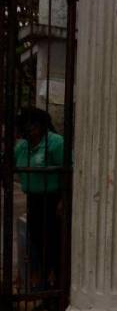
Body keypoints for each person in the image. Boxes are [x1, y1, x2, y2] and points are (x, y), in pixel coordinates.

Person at [14, 107, 64, 292]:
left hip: (53, 201)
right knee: (38, 246)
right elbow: (9, 164)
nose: (29, 130)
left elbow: (69, 172)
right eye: (25, 126)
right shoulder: (23, 146)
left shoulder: (55, 143)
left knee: (54, 246)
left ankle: (59, 292)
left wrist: (63, 201)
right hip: (33, 200)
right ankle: (44, 291)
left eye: (32, 125)